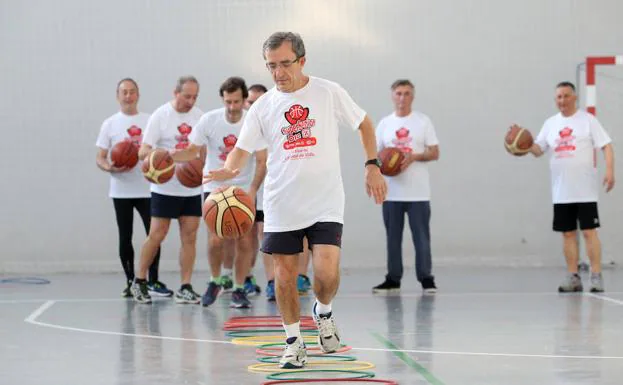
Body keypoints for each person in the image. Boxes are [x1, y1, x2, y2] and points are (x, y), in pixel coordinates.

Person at [204, 32, 387, 369]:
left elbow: (364, 124)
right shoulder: (262, 107)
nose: (278, 72)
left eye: (285, 64)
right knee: (284, 276)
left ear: (302, 61)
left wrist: (372, 165)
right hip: (281, 203)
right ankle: (293, 341)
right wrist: (228, 172)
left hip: (325, 200)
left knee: (326, 274)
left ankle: (323, 311)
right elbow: (241, 151)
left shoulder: (328, 92)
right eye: (271, 66)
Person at [177, 76, 268, 308]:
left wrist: (253, 190)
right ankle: (215, 280)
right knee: (216, 240)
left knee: (245, 240)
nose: (232, 107)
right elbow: (191, 152)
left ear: (243, 100)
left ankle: (238, 288)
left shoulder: (253, 122)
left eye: (237, 102)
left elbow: (261, 160)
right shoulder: (209, 120)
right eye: (228, 101)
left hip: (243, 187)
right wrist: (167, 157)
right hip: (214, 186)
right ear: (222, 99)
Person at [521, 81, 614, 292]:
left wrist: (610, 171)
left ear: (574, 98)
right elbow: (538, 150)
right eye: (558, 97)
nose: (562, 101)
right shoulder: (550, 124)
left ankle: (596, 275)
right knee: (568, 234)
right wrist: (522, 145)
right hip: (562, 192)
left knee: (590, 232)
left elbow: (606, 146)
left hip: (585, 190)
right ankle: (573, 277)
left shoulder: (588, 121)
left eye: (565, 96)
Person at [130, 76, 204, 304]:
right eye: (187, 96)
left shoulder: (200, 117)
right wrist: (161, 157)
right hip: (164, 186)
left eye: (194, 96)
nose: (191, 101)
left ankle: (185, 286)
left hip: (191, 187)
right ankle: (139, 280)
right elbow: (143, 151)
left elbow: (200, 151)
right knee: (157, 235)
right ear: (176, 93)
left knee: (189, 237)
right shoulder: (161, 115)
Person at [95, 78, 172, 298]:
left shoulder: (149, 121)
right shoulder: (110, 124)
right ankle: (131, 281)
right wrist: (109, 166)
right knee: (125, 236)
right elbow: (99, 157)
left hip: (148, 189)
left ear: (138, 95)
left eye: (132, 92)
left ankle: (153, 281)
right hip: (121, 190)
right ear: (117, 96)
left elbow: (159, 152)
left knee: (154, 234)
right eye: (124, 92)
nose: (128, 96)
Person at [243, 83, 313, 300]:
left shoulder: (285, 120)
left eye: (259, 100)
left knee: (302, 231)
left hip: (292, 185)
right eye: (251, 101)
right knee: (264, 234)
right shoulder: (245, 127)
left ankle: (301, 276)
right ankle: (272, 281)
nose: (255, 105)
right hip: (262, 189)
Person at [372, 79, 439, 295]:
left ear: (413, 96)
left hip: (418, 192)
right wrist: (375, 175)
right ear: (392, 96)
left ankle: (426, 279)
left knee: (421, 237)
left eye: (407, 93)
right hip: (392, 192)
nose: (402, 97)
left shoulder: (422, 121)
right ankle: (393, 279)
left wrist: (414, 157)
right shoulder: (384, 124)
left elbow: (435, 152)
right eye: (399, 93)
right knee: (392, 238)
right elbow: (375, 157)